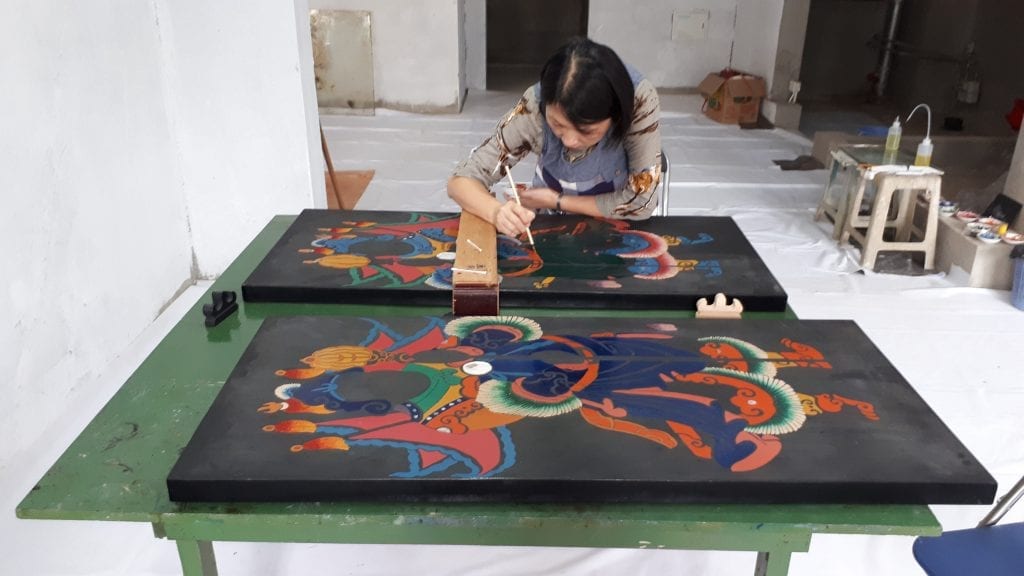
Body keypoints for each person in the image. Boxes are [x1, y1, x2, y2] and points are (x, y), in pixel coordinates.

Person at [447, 37, 663, 238]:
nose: (569, 141)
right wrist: (496, 212)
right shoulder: (533, 107)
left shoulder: (638, 102)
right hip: (548, 223)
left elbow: (641, 202)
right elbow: (461, 181)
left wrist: (558, 200)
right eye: (558, 125)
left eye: (586, 131)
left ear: (616, 117)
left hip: (615, 227)